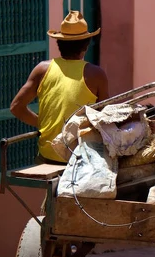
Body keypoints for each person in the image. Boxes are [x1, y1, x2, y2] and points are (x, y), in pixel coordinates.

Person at [9, 11, 109, 164]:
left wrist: (45, 125)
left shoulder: (42, 69)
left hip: (48, 156)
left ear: (59, 43)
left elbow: (16, 107)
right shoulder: (96, 74)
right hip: (81, 157)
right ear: (86, 46)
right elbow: (105, 118)